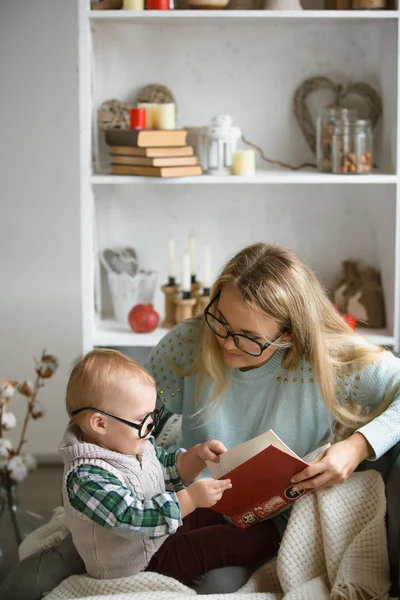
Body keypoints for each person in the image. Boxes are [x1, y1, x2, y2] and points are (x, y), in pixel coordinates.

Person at [2, 241, 400, 599]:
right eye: (220, 320)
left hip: (259, 517)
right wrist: (98, 476)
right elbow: (121, 417)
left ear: (289, 335)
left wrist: (357, 446)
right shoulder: (190, 342)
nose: (226, 342)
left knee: (213, 586)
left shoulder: (332, 360)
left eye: (247, 336)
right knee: (37, 576)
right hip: (166, 504)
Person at [58, 348, 280, 583]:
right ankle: (270, 539)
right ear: (100, 424)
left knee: (217, 513)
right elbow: (133, 519)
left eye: (153, 417)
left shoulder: (132, 442)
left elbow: (164, 468)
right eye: (142, 420)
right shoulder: (86, 477)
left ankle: (250, 526)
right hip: (140, 565)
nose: (151, 427)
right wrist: (190, 500)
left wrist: (196, 457)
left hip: (163, 532)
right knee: (233, 542)